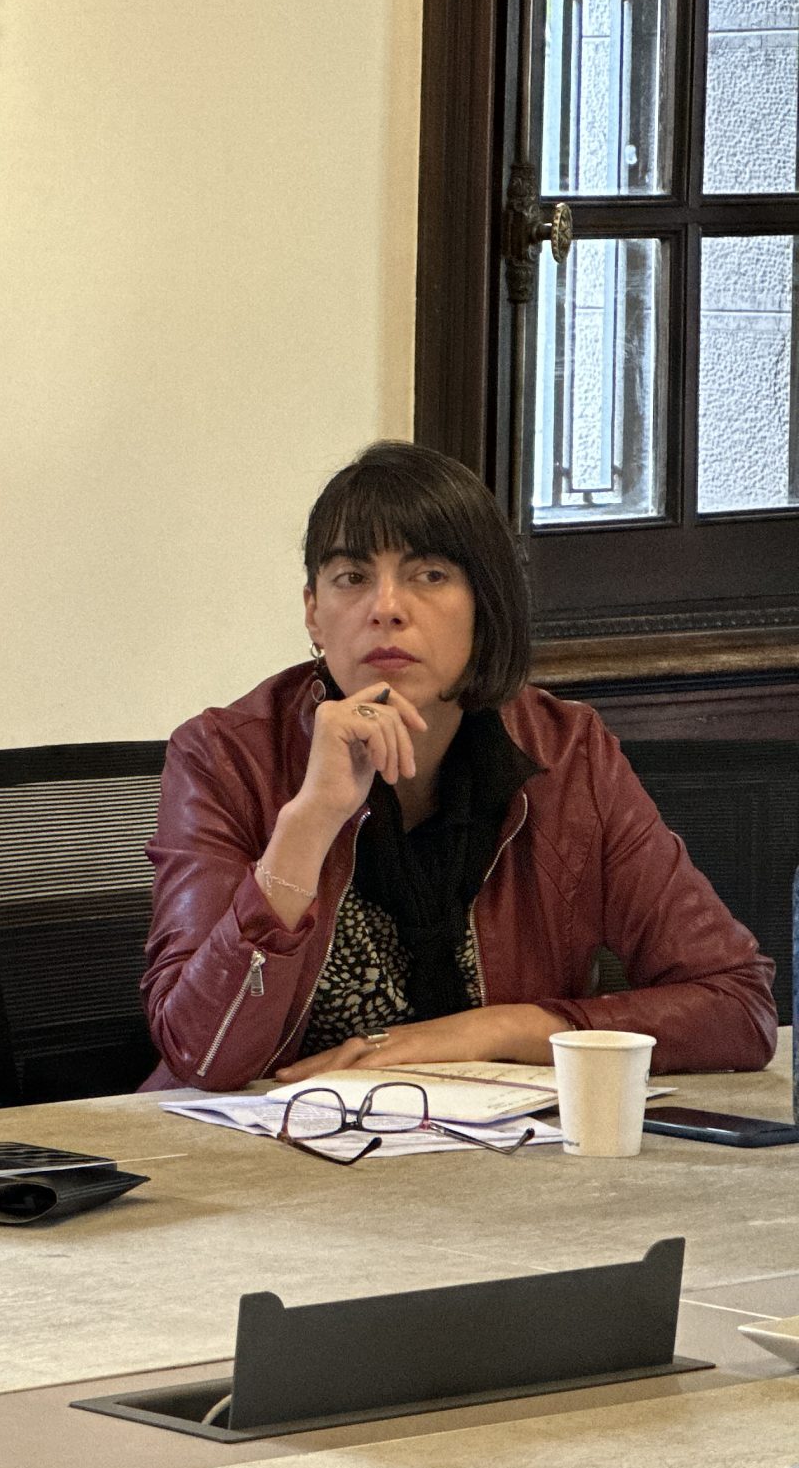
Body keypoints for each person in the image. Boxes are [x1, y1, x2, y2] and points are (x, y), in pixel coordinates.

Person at [143, 441, 776, 1092]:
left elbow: (737, 1006)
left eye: (429, 575)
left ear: (484, 604)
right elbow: (202, 1055)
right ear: (314, 613)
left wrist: (492, 1031)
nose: (386, 607)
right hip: (256, 1142)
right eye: (352, 577)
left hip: (490, 1141)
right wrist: (307, 824)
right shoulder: (222, 756)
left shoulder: (568, 754)